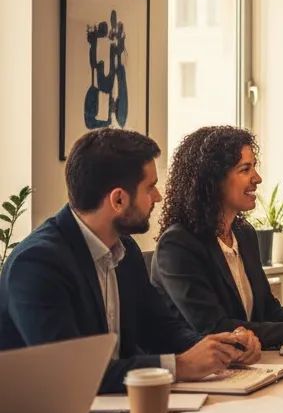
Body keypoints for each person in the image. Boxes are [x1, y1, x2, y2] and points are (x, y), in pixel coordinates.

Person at [0, 129, 260, 394]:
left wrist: (220, 348)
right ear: (119, 199)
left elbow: (160, 328)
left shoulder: (125, 250)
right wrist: (178, 366)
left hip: (112, 406)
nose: (158, 197)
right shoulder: (37, 265)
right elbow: (71, 372)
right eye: (150, 187)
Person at [151, 126, 283, 349]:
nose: (257, 178)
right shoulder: (178, 245)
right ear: (213, 179)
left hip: (246, 365)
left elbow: (268, 311)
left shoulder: (244, 233)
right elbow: (214, 328)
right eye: (245, 169)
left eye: (254, 167)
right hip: (200, 374)